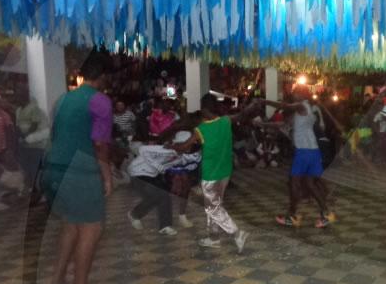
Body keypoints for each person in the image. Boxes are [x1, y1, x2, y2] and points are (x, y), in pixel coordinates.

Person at [39, 55, 113, 284]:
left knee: (71, 226)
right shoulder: (100, 101)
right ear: (103, 76)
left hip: (53, 170)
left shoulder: (62, 99)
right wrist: (107, 176)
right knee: (91, 228)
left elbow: (58, 134)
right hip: (79, 171)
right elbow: (100, 145)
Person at [172, 94, 259, 253]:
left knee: (212, 208)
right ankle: (213, 238)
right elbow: (242, 114)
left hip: (211, 174)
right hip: (225, 172)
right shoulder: (226, 120)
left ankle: (237, 233)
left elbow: (184, 147)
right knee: (215, 205)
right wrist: (253, 105)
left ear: (204, 109)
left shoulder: (201, 129)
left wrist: (174, 146)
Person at [264, 85, 336, 228]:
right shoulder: (305, 109)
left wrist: (264, 101)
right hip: (313, 151)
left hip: (304, 152)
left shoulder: (301, 105)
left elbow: (284, 105)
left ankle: (292, 216)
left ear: (303, 94)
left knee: (294, 183)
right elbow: (284, 124)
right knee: (310, 184)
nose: (294, 94)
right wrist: (262, 123)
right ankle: (326, 214)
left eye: (296, 92)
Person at [127, 132, 200, 235]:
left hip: (151, 176)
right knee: (161, 195)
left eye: (190, 145)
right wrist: (156, 165)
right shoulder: (165, 149)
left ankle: (139, 216)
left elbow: (191, 160)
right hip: (137, 172)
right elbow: (142, 149)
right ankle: (162, 225)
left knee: (158, 197)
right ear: (178, 144)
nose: (188, 148)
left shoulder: (181, 157)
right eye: (186, 145)